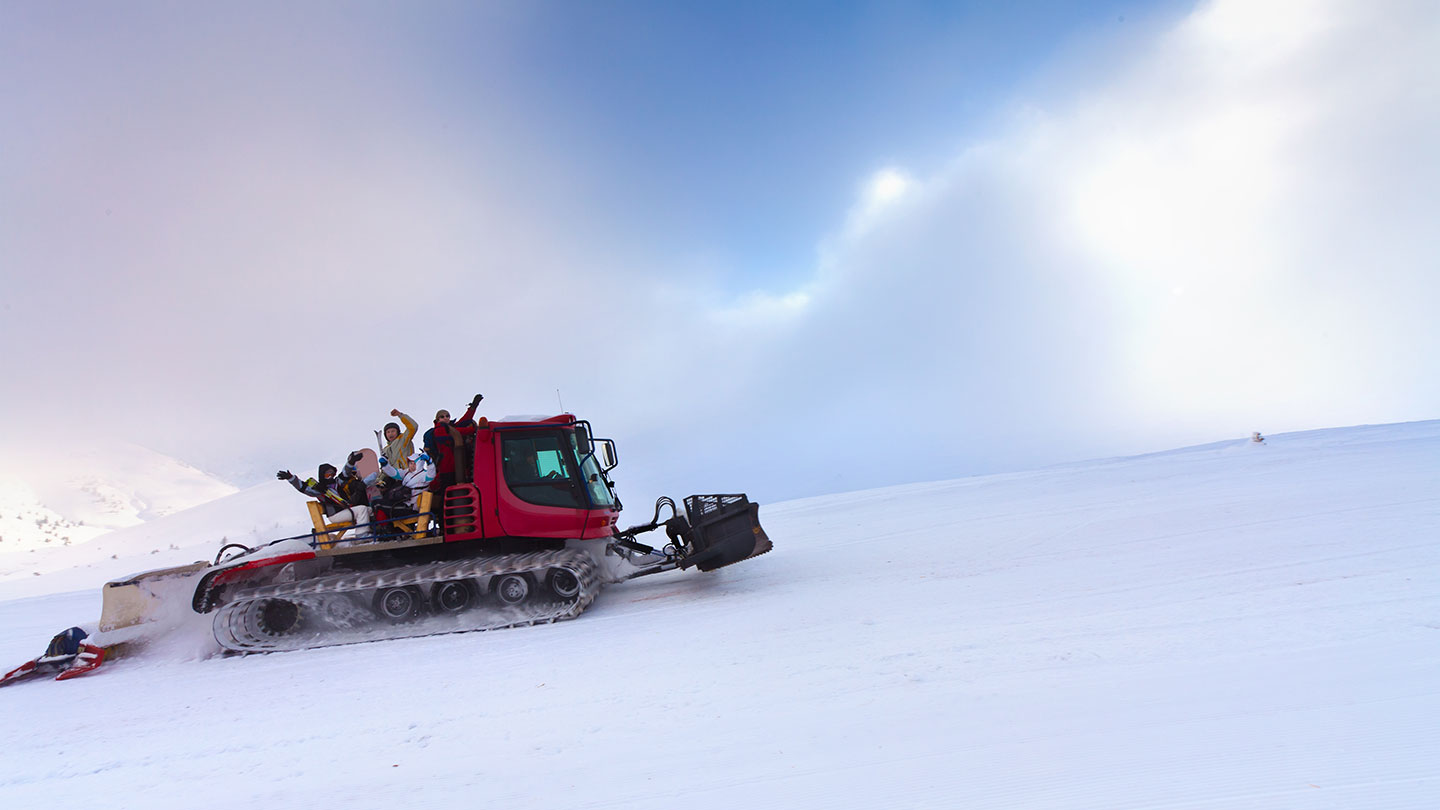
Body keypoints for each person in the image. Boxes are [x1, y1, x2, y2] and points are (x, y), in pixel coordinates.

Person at [277, 452, 371, 536]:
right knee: (362, 509)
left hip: (346, 510)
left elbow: (345, 473)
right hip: (335, 515)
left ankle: (372, 530)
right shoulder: (320, 489)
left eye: (332, 474)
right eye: (327, 474)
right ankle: (361, 534)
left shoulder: (338, 483)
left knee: (370, 510)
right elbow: (304, 488)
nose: (330, 476)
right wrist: (291, 478)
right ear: (322, 475)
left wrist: (351, 462)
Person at [423, 393, 483, 491]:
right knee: (447, 490)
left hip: (456, 465)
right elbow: (459, 431)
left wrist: (473, 407)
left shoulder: (450, 427)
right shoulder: (439, 430)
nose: (445, 418)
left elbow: (465, 419)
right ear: (437, 420)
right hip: (445, 467)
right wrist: (473, 429)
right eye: (442, 417)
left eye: (447, 416)